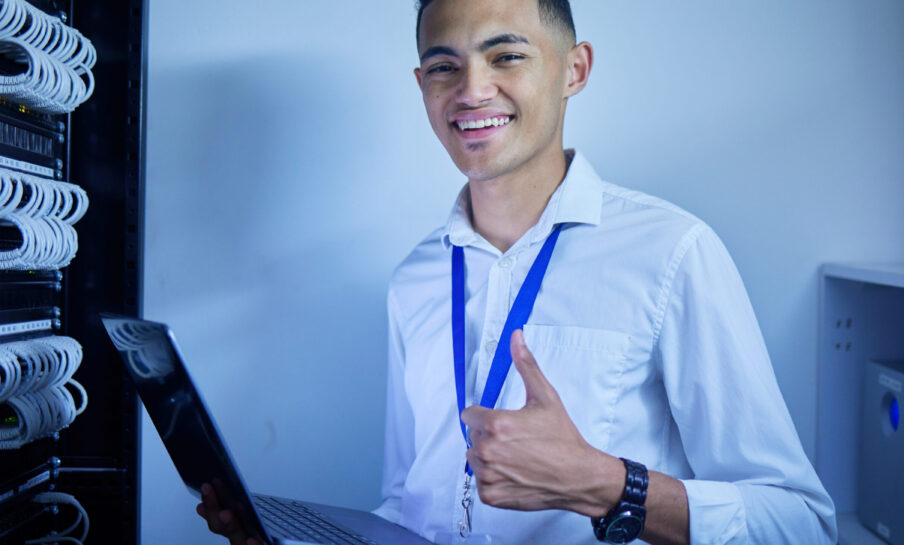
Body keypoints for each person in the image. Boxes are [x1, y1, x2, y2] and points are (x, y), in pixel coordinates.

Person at [199, 0, 838, 543]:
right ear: (422, 84)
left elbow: (802, 521)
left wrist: (607, 485)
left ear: (575, 69)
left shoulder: (674, 252)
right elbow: (407, 508)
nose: (472, 90)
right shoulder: (416, 278)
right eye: (445, 66)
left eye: (506, 56)